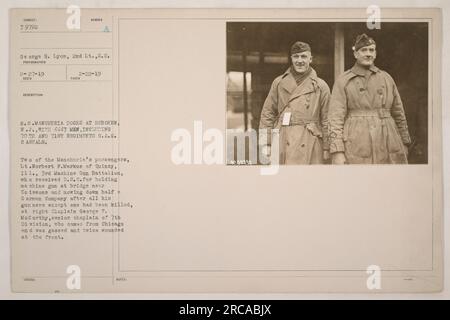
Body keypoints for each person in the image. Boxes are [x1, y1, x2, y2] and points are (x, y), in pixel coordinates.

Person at [328, 34, 411, 164]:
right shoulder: (343, 81)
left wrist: (404, 142)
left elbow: (399, 113)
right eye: (363, 50)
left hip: (388, 140)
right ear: (355, 54)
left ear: (375, 53)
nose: (368, 54)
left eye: (371, 50)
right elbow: (335, 118)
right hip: (357, 142)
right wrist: (337, 150)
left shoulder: (386, 78)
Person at [259, 41, 330, 164]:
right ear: (291, 58)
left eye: (304, 56)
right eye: (296, 56)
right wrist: (266, 143)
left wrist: (327, 147)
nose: (300, 60)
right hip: (283, 138)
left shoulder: (320, 85)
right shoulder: (279, 83)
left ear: (310, 59)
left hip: (310, 140)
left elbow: (327, 119)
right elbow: (267, 113)